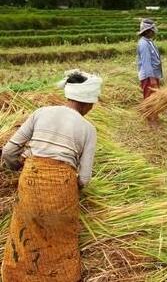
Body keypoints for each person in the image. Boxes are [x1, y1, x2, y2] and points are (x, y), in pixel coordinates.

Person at [1, 70, 102, 281]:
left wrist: (18, 168)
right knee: (61, 239)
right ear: (86, 102)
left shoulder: (41, 112)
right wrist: (70, 187)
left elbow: (9, 151)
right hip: (63, 189)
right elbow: (84, 177)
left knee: (24, 232)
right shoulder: (88, 129)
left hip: (30, 180)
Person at [137, 18, 162, 127]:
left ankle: (154, 116)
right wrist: (152, 79)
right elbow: (146, 63)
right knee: (149, 97)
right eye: (152, 31)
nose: (153, 32)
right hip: (148, 76)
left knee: (154, 96)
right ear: (147, 31)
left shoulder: (149, 42)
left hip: (153, 74)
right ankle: (150, 120)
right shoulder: (143, 44)